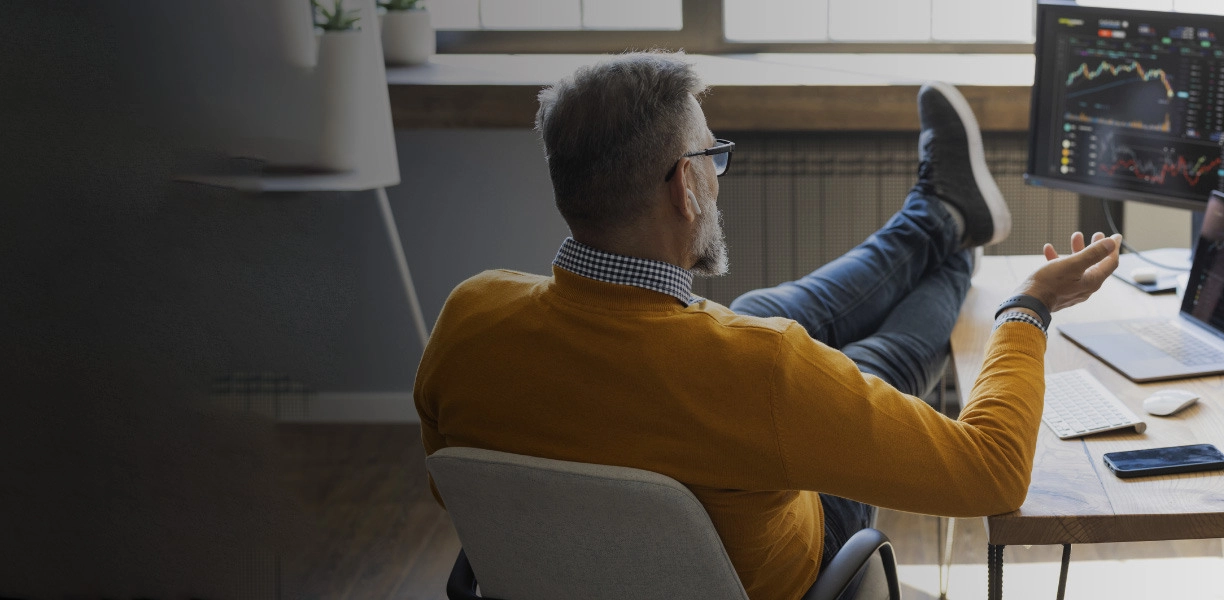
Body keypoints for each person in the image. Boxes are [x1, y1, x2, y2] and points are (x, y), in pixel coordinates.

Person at [413, 51, 1123, 600]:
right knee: (875, 359)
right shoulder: (762, 372)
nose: (717, 175)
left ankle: (939, 214)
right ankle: (950, 224)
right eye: (711, 156)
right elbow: (991, 476)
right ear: (686, 187)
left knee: (752, 315)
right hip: (783, 572)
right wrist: (1027, 309)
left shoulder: (470, 316)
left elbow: (463, 490)